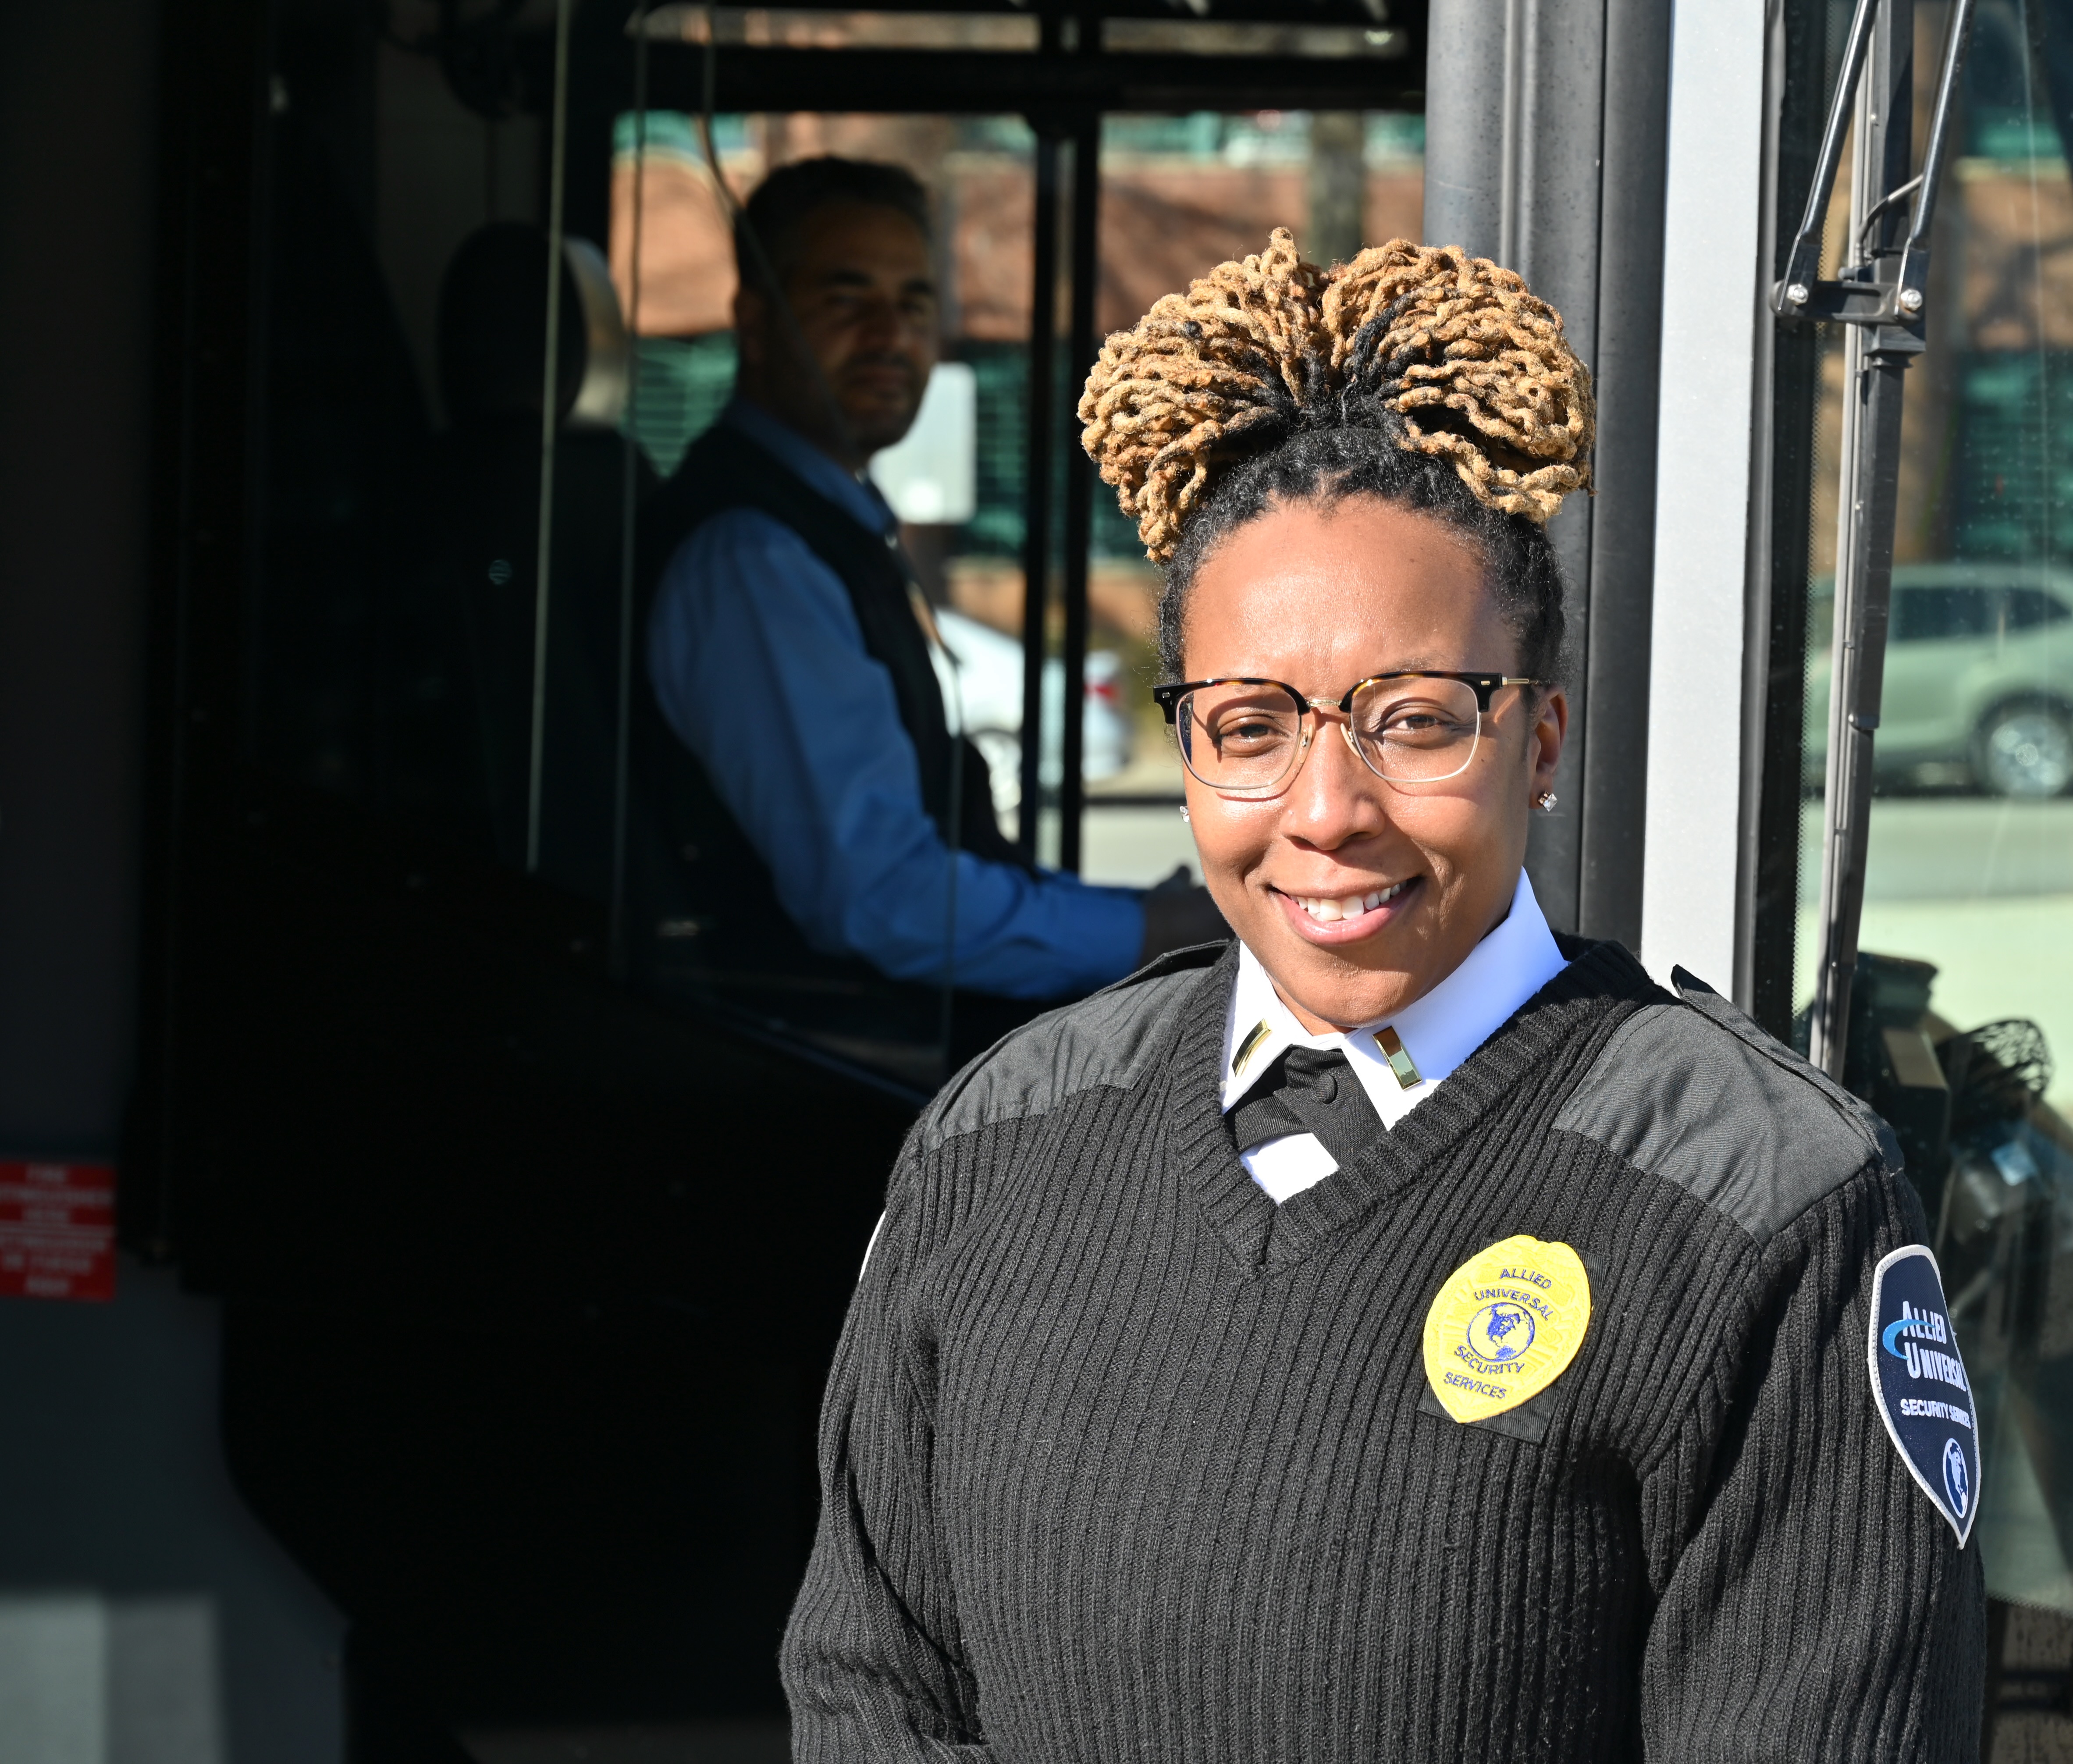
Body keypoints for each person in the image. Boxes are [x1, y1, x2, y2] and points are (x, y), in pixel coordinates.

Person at [781, 231, 1986, 1759]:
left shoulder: (1758, 1201)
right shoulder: (999, 1142)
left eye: (1416, 720)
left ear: (1539, 741)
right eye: (1248, 725)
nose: (1326, 805)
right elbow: (865, 1682)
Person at [638, 157, 1223, 1061]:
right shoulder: (755, 559)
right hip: (836, 1059)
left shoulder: (826, 527)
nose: (890, 334)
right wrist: (1151, 931)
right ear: (754, 321)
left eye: (915, 303)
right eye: (846, 298)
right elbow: (879, 900)